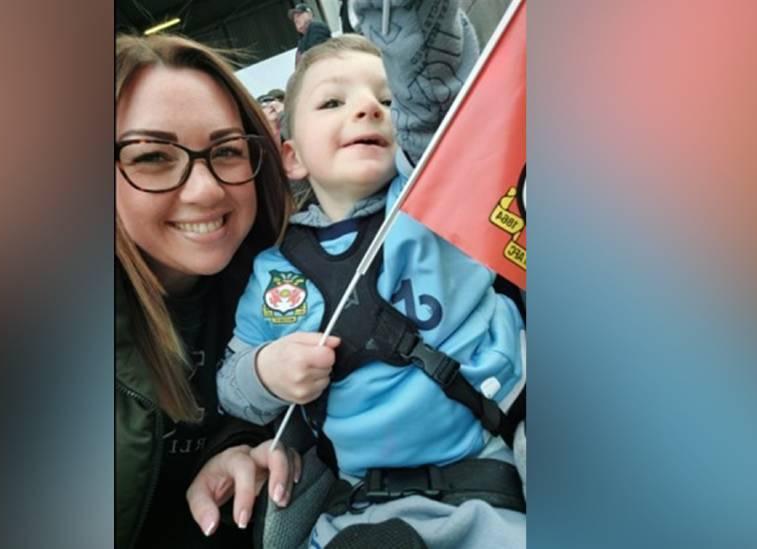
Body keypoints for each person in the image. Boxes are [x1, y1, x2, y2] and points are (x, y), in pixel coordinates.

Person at [217, 1, 526, 547]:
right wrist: (266, 370)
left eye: (386, 98)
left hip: (497, 466)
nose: (367, 108)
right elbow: (233, 386)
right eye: (333, 101)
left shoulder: (434, 197)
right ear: (291, 156)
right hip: (364, 510)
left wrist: (413, 21)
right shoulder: (275, 271)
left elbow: (434, 103)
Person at [115, 33, 302, 548]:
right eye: (152, 156)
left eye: (226, 151)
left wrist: (241, 445)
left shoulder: (291, 282)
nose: (206, 189)